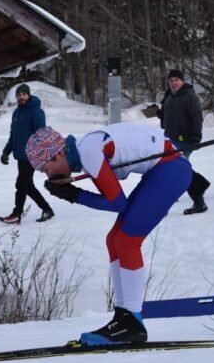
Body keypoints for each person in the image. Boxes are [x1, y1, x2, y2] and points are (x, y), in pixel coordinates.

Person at [26, 124, 192, 345]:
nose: (48, 175)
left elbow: (117, 203)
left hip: (171, 169)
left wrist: (74, 195)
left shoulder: (89, 152)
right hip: (165, 168)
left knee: (127, 241)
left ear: (57, 154)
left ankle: (132, 322)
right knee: (114, 240)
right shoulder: (86, 151)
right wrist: (74, 193)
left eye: (46, 169)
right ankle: (124, 316)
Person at [0, 84, 54, 224]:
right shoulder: (16, 113)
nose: (21, 97)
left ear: (28, 95)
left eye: (24, 94)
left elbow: (42, 134)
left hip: (31, 155)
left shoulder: (36, 111)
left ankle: (17, 214)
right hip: (20, 156)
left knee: (21, 184)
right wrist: (6, 152)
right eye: (19, 94)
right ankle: (47, 209)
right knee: (27, 185)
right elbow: (14, 136)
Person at [156, 69, 210, 214]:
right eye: (171, 80)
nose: (173, 83)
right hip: (170, 139)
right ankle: (200, 186)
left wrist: (196, 137)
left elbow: (197, 117)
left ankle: (199, 202)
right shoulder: (169, 97)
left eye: (176, 80)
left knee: (178, 168)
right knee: (175, 168)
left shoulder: (189, 97)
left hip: (185, 140)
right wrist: (160, 114)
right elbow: (169, 117)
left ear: (182, 81)